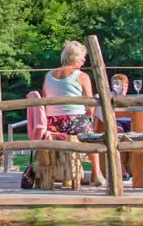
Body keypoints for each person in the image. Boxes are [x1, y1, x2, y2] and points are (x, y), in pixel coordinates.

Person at [43, 40, 105, 186]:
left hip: (53, 123)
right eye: (82, 57)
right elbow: (90, 108)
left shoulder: (48, 75)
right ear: (75, 58)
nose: (84, 61)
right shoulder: (81, 76)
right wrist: (89, 115)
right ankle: (97, 173)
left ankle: (76, 172)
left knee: (82, 127)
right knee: (91, 137)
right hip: (74, 121)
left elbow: (45, 100)